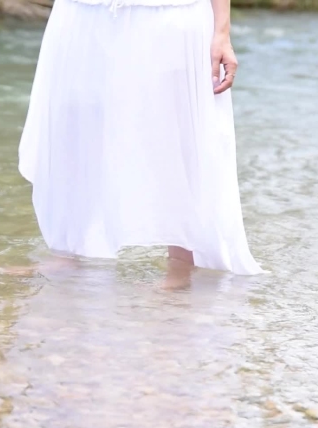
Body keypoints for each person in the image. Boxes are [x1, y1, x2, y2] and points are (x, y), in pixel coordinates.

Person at [18, 0, 263, 282]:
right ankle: (66, 254)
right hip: (82, 11)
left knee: (177, 130)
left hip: (172, 12)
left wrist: (222, 32)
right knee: (73, 125)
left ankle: (182, 266)